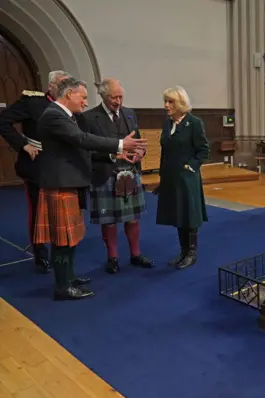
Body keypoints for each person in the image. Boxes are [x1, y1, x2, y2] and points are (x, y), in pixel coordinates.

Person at [33, 77, 147, 301]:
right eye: (83, 97)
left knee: (70, 237)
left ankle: (69, 277)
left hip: (69, 183)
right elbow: (82, 139)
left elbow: (81, 147)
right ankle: (62, 287)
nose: (85, 102)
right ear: (69, 95)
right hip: (60, 184)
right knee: (63, 238)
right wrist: (120, 144)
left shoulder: (65, 116)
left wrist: (114, 153)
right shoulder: (54, 115)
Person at [79, 78, 154, 274]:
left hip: (130, 174)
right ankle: (112, 257)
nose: (118, 101)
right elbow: (85, 150)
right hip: (105, 175)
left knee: (133, 219)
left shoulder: (129, 114)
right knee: (109, 220)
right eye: (114, 97)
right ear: (103, 96)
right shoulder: (88, 118)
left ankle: (136, 254)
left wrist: (140, 153)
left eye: (120, 97)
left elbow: (137, 141)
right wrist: (112, 154)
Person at [0, 70, 71, 273]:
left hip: (62, 166)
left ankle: (61, 248)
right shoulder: (32, 102)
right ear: (50, 86)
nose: (65, 88)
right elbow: (3, 122)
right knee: (39, 210)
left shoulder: (69, 104)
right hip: (36, 165)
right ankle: (40, 254)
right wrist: (23, 145)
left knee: (62, 210)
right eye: (61, 84)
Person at [154, 86, 209, 269]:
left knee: (189, 215)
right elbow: (165, 152)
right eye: (165, 101)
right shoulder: (168, 123)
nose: (166, 105)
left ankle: (191, 253)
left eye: (170, 102)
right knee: (178, 214)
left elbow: (203, 150)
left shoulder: (194, 123)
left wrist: (190, 167)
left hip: (187, 178)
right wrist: (162, 176)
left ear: (180, 103)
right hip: (171, 178)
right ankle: (183, 251)